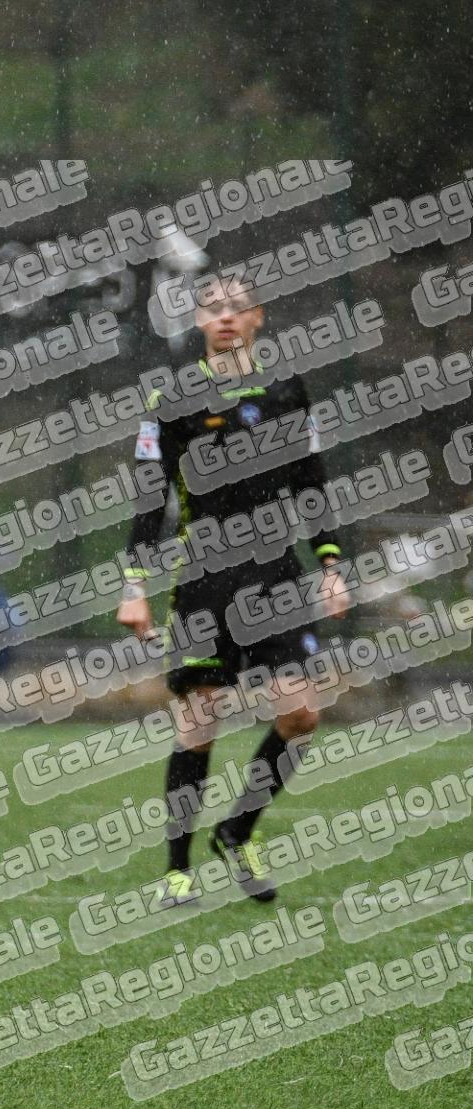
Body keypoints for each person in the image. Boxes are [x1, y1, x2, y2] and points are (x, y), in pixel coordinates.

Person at [116, 270, 349, 907]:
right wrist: (134, 584)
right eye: (212, 308)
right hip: (205, 577)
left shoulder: (287, 389)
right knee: (200, 721)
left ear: (257, 317)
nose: (224, 316)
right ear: (198, 322)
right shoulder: (172, 397)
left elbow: (310, 482)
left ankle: (237, 830)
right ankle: (177, 872)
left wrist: (330, 563)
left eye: (236, 307)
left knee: (301, 714)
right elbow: (149, 498)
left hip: (277, 573)